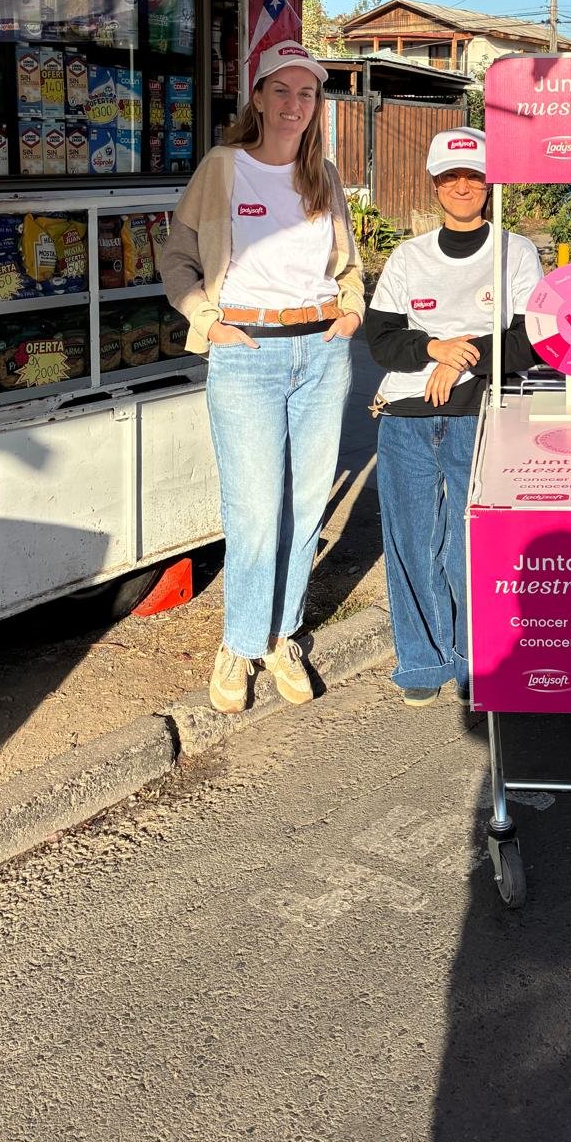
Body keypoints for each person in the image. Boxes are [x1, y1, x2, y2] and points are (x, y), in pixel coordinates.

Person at [161, 41, 364, 713]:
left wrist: (351, 311)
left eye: (307, 95)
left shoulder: (324, 175)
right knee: (253, 511)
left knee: (306, 506)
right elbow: (178, 257)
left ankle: (282, 636)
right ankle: (240, 644)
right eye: (282, 91)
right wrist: (206, 318)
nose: (294, 105)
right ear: (258, 97)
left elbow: (348, 265)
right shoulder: (223, 167)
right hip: (246, 354)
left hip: (321, 353)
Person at [366, 128, 543, 706]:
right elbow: (383, 340)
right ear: (436, 185)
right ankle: (422, 661)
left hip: (481, 415)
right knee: (412, 543)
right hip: (406, 419)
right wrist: (434, 351)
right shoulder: (408, 256)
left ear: (489, 183)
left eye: (473, 176)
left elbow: (529, 341)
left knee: (473, 545)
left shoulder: (516, 252)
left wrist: (461, 356)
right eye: (450, 177)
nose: (462, 187)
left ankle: (475, 658)